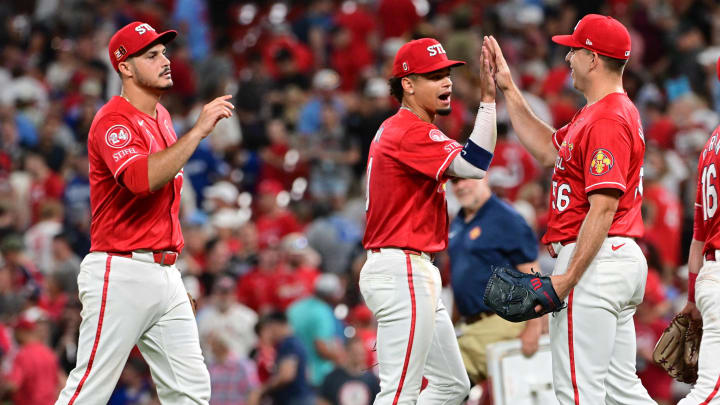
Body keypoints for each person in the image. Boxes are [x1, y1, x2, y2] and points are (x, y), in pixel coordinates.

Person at [55, 21, 235, 405]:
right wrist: (199, 131)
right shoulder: (112, 121)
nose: (165, 60)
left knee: (191, 392)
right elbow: (140, 180)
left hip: (161, 271)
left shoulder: (163, 117)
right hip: (120, 269)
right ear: (125, 66)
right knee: (88, 391)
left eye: (164, 52)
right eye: (151, 55)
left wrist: (167, 280)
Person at [485, 14, 654, 404]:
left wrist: (567, 279)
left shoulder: (608, 116)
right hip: (613, 257)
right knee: (620, 393)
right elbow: (547, 149)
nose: (567, 59)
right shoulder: (597, 113)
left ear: (593, 59)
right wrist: (509, 89)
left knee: (578, 393)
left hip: (594, 258)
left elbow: (604, 207)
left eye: (574, 50)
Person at [360, 37, 498, 404]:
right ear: (408, 84)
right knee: (398, 394)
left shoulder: (410, 129)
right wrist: (488, 101)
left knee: (453, 385)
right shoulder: (407, 129)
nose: (447, 82)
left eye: (448, 74)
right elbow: (474, 165)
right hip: (401, 268)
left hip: (410, 269)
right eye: (435, 75)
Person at [448, 177, 543, 385]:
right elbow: (462, 279)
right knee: (443, 384)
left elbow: (532, 272)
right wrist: (451, 323)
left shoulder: (505, 217)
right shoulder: (457, 223)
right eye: (454, 181)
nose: (461, 186)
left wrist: (535, 326)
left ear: (484, 177)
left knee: (445, 382)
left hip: (503, 324)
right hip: (469, 328)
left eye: (467, 178)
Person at [675, 58, 720, 405]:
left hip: (708, 274)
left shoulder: (710, 144)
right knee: (710, 394)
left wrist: (692, 297)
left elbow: (697, 239)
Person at [250, 311, 315, 405]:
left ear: (275, 325)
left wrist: (262, 390)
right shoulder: (296, 341)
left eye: (270, 328)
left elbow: (286, 375)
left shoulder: (289, 344)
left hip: (295, 399)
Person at [1, 313, 61, 405]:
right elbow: (62, 382)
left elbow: (13, 386)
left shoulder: (23, 354)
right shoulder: (49, 353)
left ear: (21, 332)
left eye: (15, 332)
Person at [318, 337, 381, 405]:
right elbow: (323, 401)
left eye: (360, 353)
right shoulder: (332, 378)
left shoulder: (372, 381)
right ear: (347, 352)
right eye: (354, 353)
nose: (357, 357)